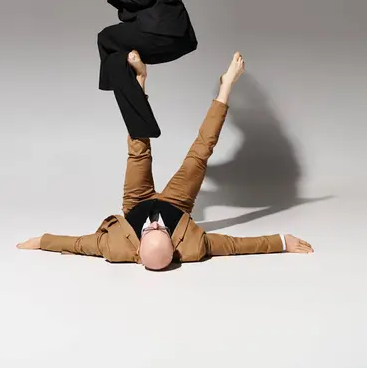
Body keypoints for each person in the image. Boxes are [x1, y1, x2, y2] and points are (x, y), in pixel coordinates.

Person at [17, 51, 313, 269]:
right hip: (177, 202)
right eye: (162, 232)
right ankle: (226, 86)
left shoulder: (114, 246)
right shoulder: (194, 247)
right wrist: (283, 242)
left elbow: (77, 244)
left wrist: (41, 241)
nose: (156, 225)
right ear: (174, 247)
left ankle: (140, 81)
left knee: (138, 146)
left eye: (151, 231)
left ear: (138, 245)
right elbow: (236, 246)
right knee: (201, 151)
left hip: (136, 200)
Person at [90, 0, 198, 139]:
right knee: (115, 48)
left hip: (160, 33)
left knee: (106, 39)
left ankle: (122, 90)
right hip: (174, 36)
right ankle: (124, 87)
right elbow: (136, 8)